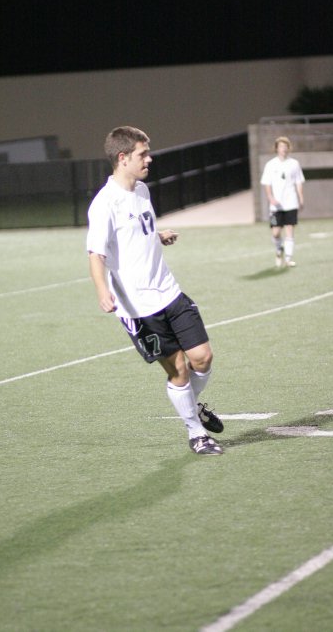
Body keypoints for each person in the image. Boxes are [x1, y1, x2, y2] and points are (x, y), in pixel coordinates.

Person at [86, 126, 224, 455]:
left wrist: (157, 235)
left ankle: (191, 404)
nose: (150, 158)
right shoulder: (104, 203)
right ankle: (196, 434)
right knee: (178, 370)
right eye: (142, 154)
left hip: (169, 291)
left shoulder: (142, 191)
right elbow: (96, 252)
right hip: (139, 308)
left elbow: (136, 231)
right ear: (122, 158)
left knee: (202, 358)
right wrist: (102, 290)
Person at [260, 136, 305, 267]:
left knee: (290, 229)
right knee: (275, 232)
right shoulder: (270, 164)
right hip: (275, 207)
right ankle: (279, 248)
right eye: (281, 146)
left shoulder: (294, 164)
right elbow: (266, 183)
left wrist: (301, 198)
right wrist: (270, 198)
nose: (283, 149)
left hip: (291, 203)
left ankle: (288, 258)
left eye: (285, 146)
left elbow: (299, 182)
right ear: (276, 148)